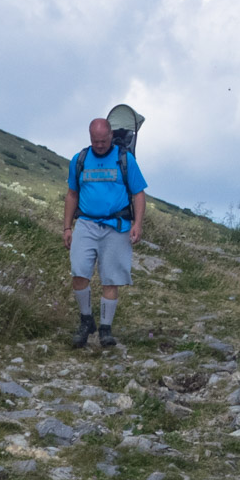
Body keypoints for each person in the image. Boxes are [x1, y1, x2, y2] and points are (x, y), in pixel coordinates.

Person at [62, 117, 147, 350]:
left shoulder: (124, 159)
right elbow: (72, 194)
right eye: (95, 141)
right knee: (79, 273)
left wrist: (137, 224)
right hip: (86, 224)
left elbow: (138, 194)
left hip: (117, 226)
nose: (99, 145)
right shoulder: (79, 160)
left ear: (111, 136)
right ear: (90, 138)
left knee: (111, 278)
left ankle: (105, 329)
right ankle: (86, 320)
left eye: (103, 140)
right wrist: (67, 227)